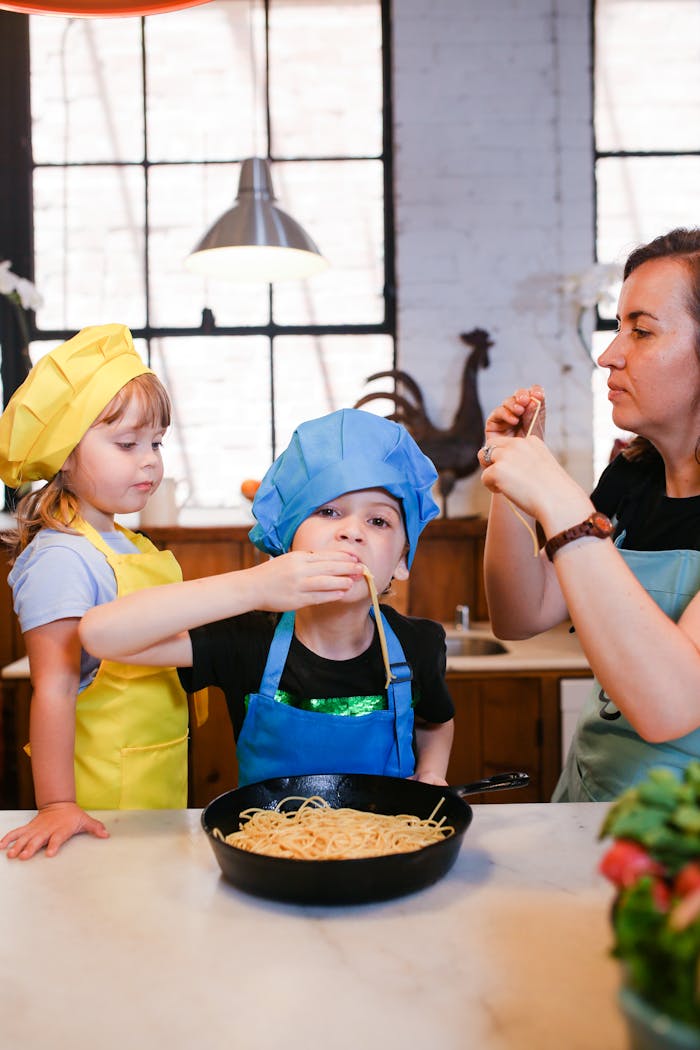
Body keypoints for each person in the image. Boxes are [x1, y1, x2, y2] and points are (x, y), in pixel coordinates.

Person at [80, 408, 455, 788]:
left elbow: (435, 721)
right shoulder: (246, 640)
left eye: (379, 521)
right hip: (267, 842)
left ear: (403, 559)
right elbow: (101, 634)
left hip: (390, 842)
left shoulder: (418, 646)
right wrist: (253, 586)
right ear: (287, 540)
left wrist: (431, 773)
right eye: (328, 511)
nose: (352, 532)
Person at [479, 226, 700, 802]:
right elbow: (519, 615)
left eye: (642, 331)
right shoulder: (631, 480)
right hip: (588, 803)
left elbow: (670, 706)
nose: (608, 356)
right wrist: (511, 474)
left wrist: (560, 499)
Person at [0, 324, 190, 859]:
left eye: (155, 442)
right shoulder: (63, 556)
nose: (149, 459)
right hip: (97, 799)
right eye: (127, 443)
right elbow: (54, 688)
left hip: (159, 778)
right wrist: (57, 803)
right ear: (64, 453)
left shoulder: (130, 543)